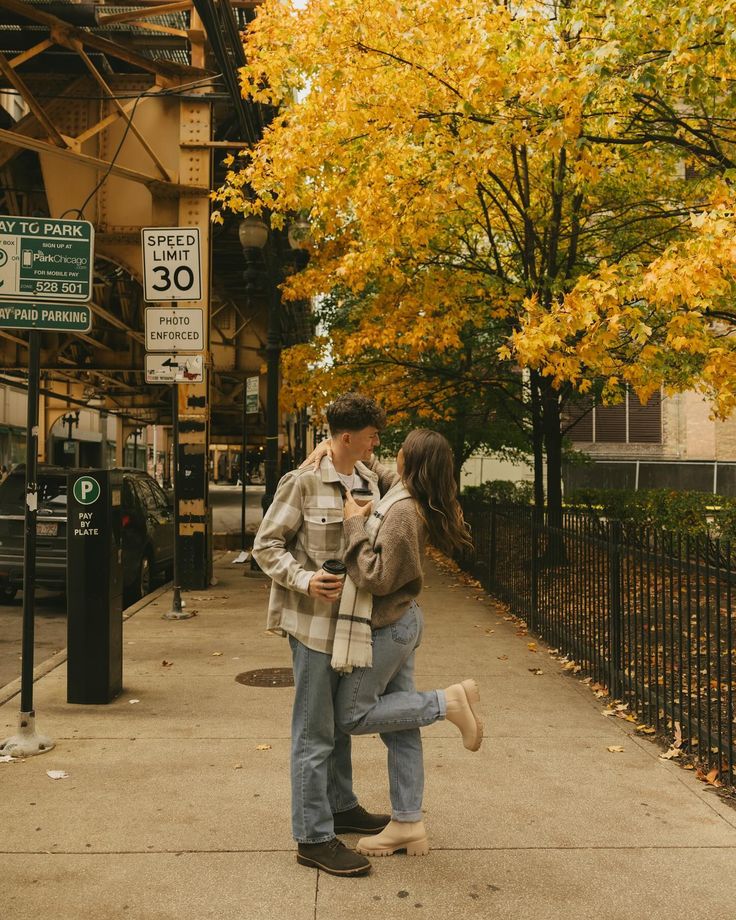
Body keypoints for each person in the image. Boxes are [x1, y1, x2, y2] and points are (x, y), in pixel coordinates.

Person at [305, 428, 482, 858]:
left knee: (351, 714)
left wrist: (352, 525)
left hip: (390, 625)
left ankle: (447, 703)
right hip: (400, 621)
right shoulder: (403, 491)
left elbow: (375, 577)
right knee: (401, 728)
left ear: (413, 463)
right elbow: (380, 470)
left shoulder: (403, 512)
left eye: (401, 450)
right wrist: (333, 447)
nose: (393, 454)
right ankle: (408, 822)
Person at [252, 393, 390, 877]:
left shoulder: (369, 478)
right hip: (311, 627)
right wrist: (304, 579)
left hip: (352, 624)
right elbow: (265, 544)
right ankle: (312, 837)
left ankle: (341, 805)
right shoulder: (304, 483)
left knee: (339, 725)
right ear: (347, 437)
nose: (378, 441)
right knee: (314, 734)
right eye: (372, 435)